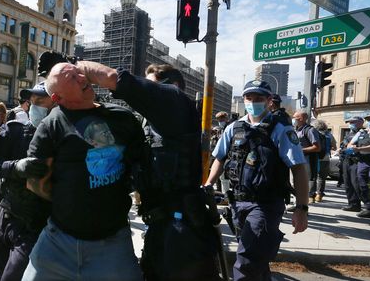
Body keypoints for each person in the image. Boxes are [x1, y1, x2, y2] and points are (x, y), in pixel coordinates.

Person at [78, 61, 221, 280]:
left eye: (151, 86)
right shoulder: (152, 125)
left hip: (182, 231)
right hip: (160, 225)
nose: (147, 93)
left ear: (170, 85)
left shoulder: (175, 99)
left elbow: (119, 81)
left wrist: (74, 66)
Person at [14, 63, 145, 281]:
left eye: (79, 73)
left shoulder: (123, 118)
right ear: (57, 98)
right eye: (71, 78)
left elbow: (140, 166)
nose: (82, 78)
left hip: (113, 243)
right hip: (57, 243)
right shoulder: (51, 125)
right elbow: (37, 184)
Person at [205, 80, 308, 281]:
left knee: (247, 261)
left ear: (269, 101)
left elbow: (298, 169)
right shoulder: (234, 128)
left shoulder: (281, 130)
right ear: (244, 100)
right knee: (257, 260)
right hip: (238, 203)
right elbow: (219, 158)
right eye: (249, 98)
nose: (253, 102)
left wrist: (302, 208)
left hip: (266, 205)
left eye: (259, 98)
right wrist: (209, 183)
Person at [0, 82, 54, 281]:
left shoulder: (65, 139)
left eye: (41, 101)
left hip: (36, 226)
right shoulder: (14, 131)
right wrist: (15, 167)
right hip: (7, 217)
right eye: (32, 101)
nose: (34, 105)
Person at [292, 111, 321, 203]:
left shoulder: (310, 130)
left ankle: (303, 205)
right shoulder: (296, 130)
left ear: (301, 119)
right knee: (294, 182)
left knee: (303, 182)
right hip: (296, 159)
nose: (293, 120)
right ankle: (297, 202)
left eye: (295, 118)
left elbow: (317, 147)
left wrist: (300, 150)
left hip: (306, 160)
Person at [339, 116, 364, 212]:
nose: (351, 124)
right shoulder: (348, 134)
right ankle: (353, 204)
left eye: (353, 122)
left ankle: (369, 206)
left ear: (361, 123)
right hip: (346, 160)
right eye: (350, 122)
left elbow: (361, 147)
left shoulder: (363, 133)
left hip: (356, 161)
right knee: (347, 183)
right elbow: (343, 146)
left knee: (356, 184)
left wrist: (347, 149)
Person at [311, 119, 336, 202]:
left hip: (315, 158)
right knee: (322, 177)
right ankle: (319, 195)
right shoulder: (329, 135)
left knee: (313, 176)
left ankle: (311, 195)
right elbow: (334, 147)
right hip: (325, 158)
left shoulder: (314, 133)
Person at [212, 111, 230, 203]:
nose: (220, 121)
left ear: (226, 118)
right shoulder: (220, 129)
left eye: (222, 119)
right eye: (219, 119)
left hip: (226, 157)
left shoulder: (229, 128)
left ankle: (226, 197)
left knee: (225, 178)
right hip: (220, 157)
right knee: (222, 178)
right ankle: (224, 196)